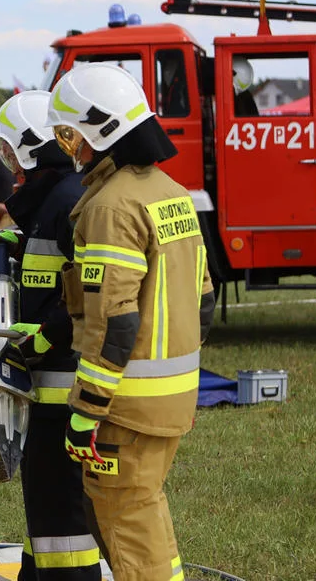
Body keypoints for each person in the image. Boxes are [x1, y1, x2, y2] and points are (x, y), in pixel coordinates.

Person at [46, 63, 216, 581]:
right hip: (173, 396)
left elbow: (113, 325)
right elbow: (204, 299)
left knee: (127, 525)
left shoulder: (109, 207)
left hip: (125, 406)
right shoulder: (169, 191)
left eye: (70, 135)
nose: (69, 149)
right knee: (146, 517)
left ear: (100, 131)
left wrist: (86, 410)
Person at [0, 90, 101, 580]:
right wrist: (20, 241)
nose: (6, 163)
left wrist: (42, 337)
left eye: (9, 151)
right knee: (46, 513)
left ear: (33, 147)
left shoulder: (69, 200)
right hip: (47, 391)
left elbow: (89, 296)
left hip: (64, 388)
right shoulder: (51, 200)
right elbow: (53, 274)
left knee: (63, 522)